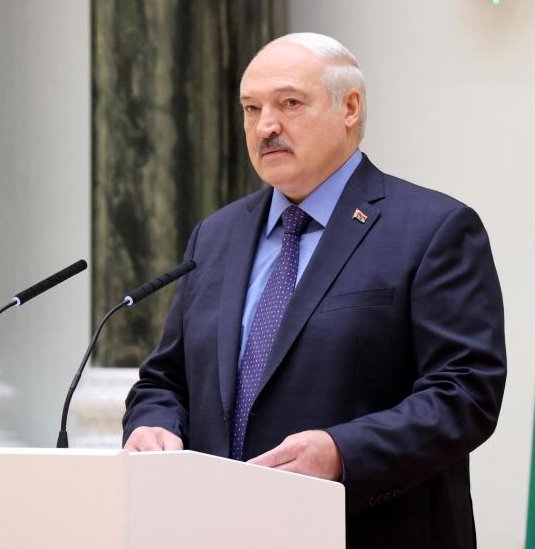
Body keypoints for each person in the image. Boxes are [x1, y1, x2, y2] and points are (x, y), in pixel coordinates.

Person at [122, 32, 506, 548]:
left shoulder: (433, 228)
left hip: (367, 530)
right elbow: (165, 379)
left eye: (289, 103)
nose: (266, 126)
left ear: (350, 108)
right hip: (222, 531)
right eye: (251, 108)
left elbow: (465, 392)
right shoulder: (216, 235)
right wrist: (152, 424)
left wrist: (342, 452)